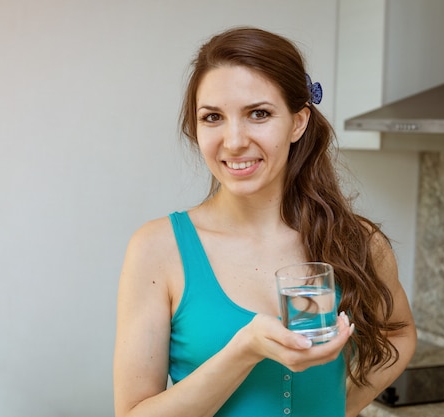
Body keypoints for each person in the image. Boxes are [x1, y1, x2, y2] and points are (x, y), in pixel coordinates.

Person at [113, 27, 416, 417]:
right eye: (213, 117)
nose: (234, 140)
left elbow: (401, 333)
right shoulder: (158, 250)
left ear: (298, 122)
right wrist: (244, 351)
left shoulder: (355, 240)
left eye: (259, 114)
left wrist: (342, 407)